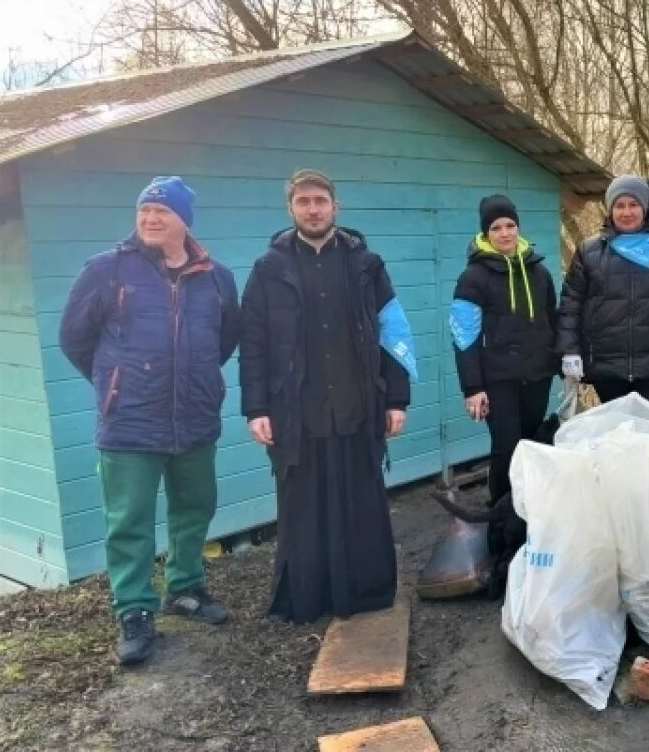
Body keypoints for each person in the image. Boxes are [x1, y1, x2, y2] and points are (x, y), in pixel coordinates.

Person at [59, 176, 241, 665]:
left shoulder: (217, 277)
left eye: (162, 211)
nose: (151, 218)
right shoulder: (106, 271)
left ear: (185, 220)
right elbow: (75, 340)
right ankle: (134, 610)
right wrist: (114, 385)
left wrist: (195, 379)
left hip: (196, 418)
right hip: (130, 424)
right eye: (144, 210)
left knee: (195, 507)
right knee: (129, 520)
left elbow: (225, 341)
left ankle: (184, 587)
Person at [239, 169, 415, 622]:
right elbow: (253, 343)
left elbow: (393, 334)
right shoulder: (268, 270)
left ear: (336, 206)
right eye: (304, 202)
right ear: (291, 209)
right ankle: (308, 598)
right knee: (304, 510)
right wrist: (256, 407)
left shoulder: (367, 265)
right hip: (297, 412)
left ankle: (368, 592)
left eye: (320, 200)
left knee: (361, 503)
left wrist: (397, 399)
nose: (313, 209)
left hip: (358, 406)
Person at [557, 175, 649, 411]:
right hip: (607, 365)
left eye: (633, 205)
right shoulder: (589, 251)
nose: (627, 212)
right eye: (619, 205)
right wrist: (569, 351)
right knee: (617, 437)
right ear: (610, 209)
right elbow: (570, 305)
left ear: (645, 208)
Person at [450, 194, 558, 506]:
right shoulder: (472, 278)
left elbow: (552, 320)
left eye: (510, 225)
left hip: (537, 374)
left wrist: (563, 359)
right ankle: (500, 512)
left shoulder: (540, 273)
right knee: (506, 446)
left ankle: (531, 510)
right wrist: (472, 387)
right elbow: (463, 337)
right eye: (496, 228)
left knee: (532, 443)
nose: (505, 233)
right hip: (497, 380)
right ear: (486, 234)